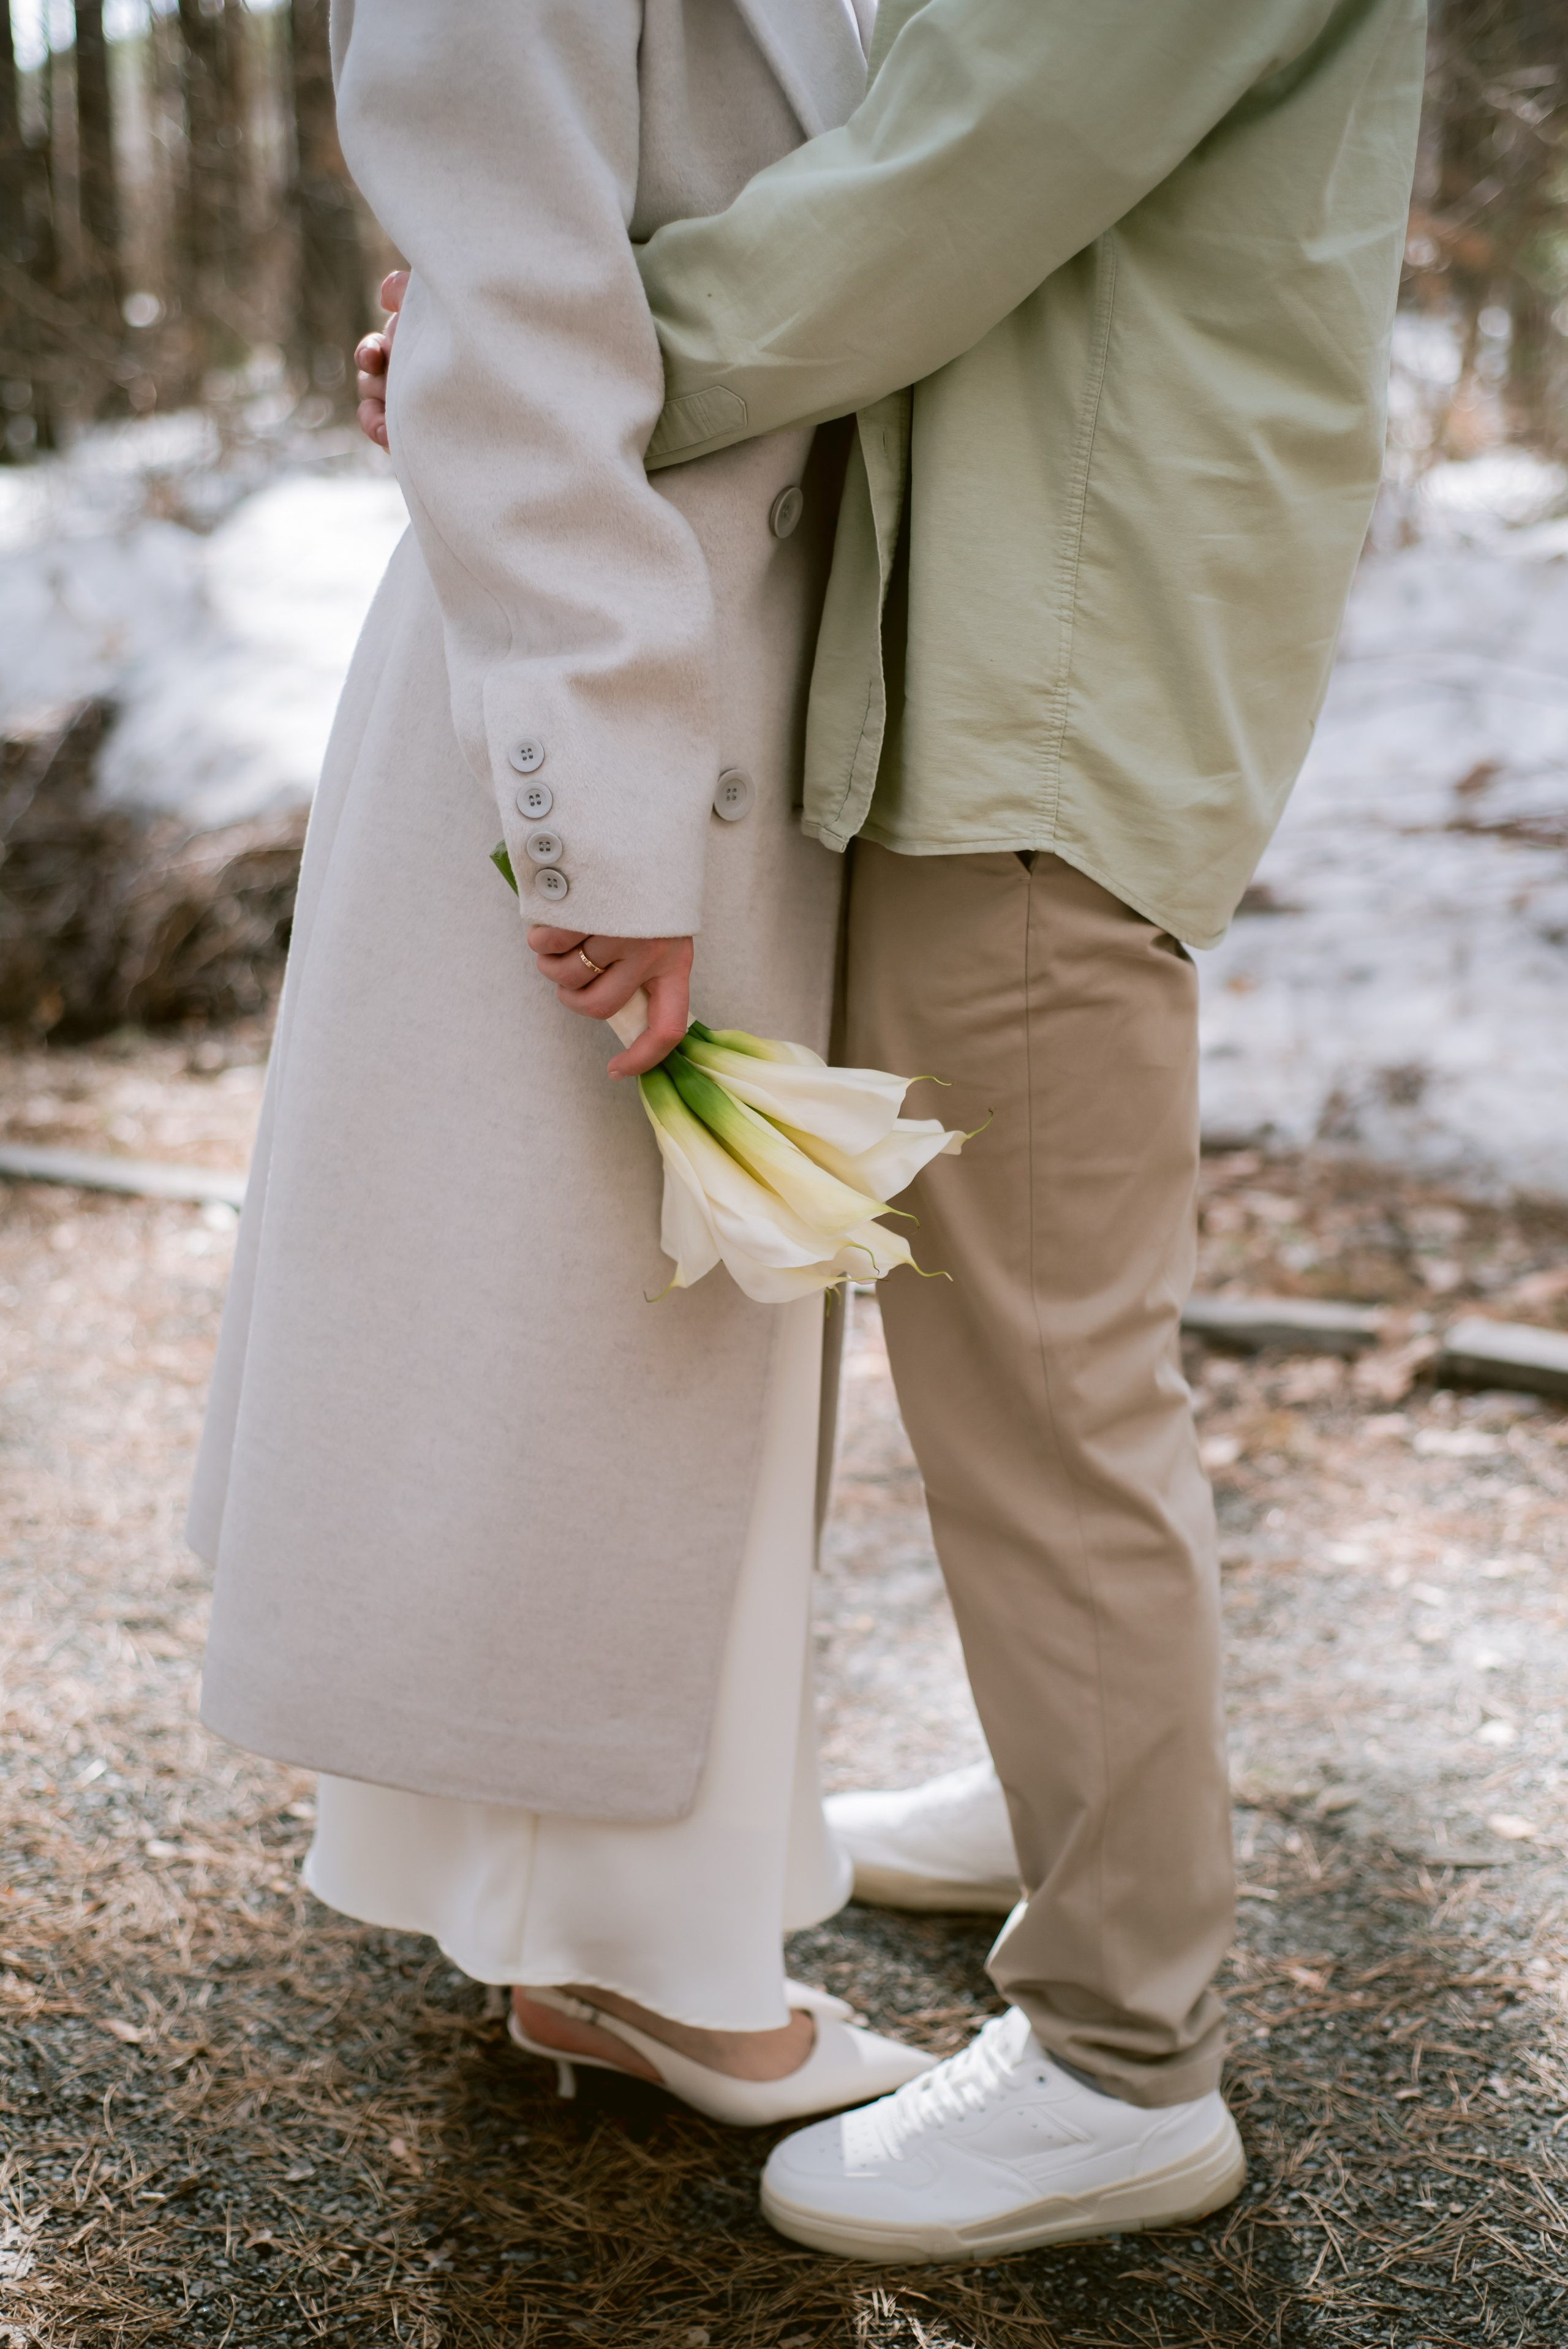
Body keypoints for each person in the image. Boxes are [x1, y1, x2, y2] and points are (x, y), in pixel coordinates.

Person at [359, 0, 1423, 2264]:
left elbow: (958, 171)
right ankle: (1076, 1818)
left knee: (1041, 1371)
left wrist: (541, 366)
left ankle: (1130, 2053)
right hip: (1015, 635)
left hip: (1051, 668)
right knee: (998, 1325)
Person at [187, 0, 935, 2132]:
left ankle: (592, 1923)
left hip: (724, 675)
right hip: (610, 695)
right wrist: (599, 819)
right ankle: (652, 1958)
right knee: (607, 1329)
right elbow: (514, 280)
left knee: (644, 1332)